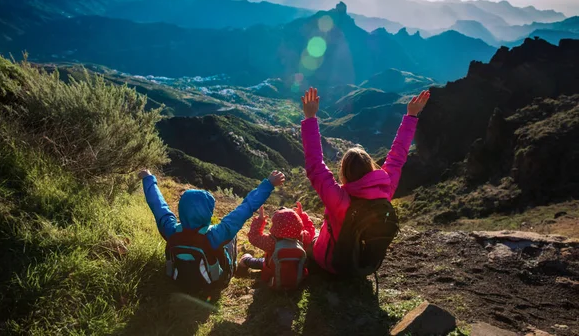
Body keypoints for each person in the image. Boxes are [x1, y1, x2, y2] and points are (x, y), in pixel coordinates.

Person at [300, 87, 430, 275]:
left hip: (332, 264)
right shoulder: (384, 189)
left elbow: (315, 165)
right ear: (371, 167)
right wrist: (411, 115)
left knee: (308, 240)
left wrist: (310, 117)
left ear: (344, 173)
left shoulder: (339, 200)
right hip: (365, 266)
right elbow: (398, 155)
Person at [139, 169, 286, 293]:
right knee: (231, 235)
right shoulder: (215, 235)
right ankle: (235, 267)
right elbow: (246, 207)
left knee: (226, 234)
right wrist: (269, 184)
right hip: (213, 286)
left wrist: (148, 179)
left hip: (178, 282)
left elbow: (158, 206)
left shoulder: (171, 230)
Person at [240, 202, 316, 289]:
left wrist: (260, 220)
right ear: (298, 222)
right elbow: (311, 230)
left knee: (262, 262)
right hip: (298, 276)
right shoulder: (303, 238)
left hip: (272, 277)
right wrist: (302, 215)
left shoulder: (271, 241)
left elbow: (254, 237)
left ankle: (245, 260)